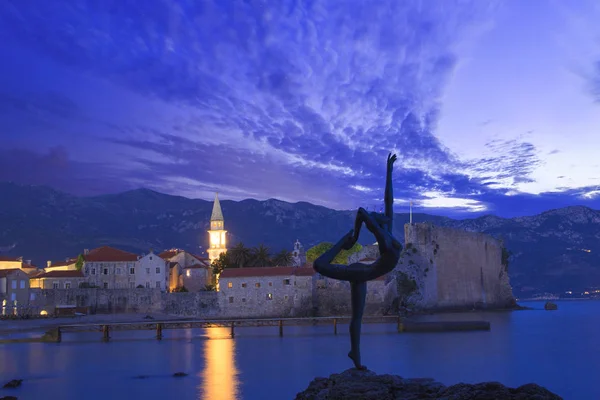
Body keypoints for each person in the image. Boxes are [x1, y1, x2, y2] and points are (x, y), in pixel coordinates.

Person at [313, 153, 402, 369]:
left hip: (363, 274)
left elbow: (388, 199)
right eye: (380, 217)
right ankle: (342, 242)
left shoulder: (387, 230)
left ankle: (355, 355)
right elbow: (362, 213)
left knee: (357, 318)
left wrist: (389, 170)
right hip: (359, 273)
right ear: (378, 223)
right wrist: (353, 236)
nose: (384, 215)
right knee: (318, 265)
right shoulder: (384, 239)